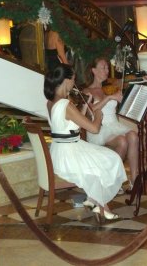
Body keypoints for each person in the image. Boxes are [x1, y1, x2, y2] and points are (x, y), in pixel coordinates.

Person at [44, 64, 127, 222]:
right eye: (73, 80)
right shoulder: (66, 104)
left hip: (60, 149)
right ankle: (97, 203)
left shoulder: (51, 101)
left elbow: (70, 123)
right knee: (109, 160)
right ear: (66, 81)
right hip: (68, 154)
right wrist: (98, 114)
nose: (74, 84)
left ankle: (95, 202)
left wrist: (83, 107)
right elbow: (94, 129)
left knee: (104, 159)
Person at [83, 57, 139, 187]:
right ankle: (111, 181)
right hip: (99, 128)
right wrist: (108, 98)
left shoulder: (111, 87)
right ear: (94, 71)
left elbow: (127, 89)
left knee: (133, 136)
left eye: (107, 67)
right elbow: (90, 110)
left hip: (115, 125)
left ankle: (134, 179)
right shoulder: (87, 91)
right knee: (122, 141)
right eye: (103, 67)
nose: (107, 70)